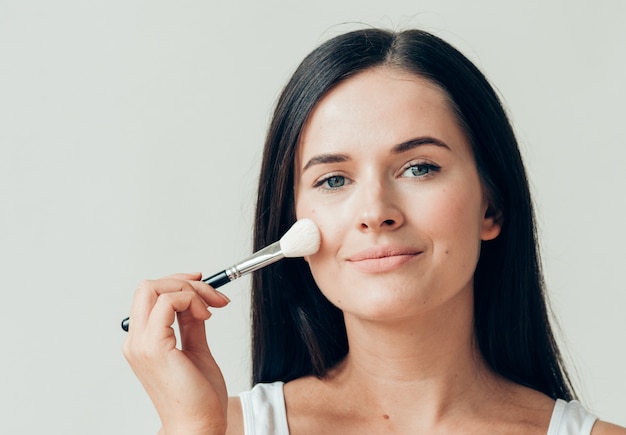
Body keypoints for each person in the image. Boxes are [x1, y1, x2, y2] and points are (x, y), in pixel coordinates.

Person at [123, 28, 626, 434]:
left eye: (419, 168)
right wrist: (191, 426)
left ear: (490, 208)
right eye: (334, 179)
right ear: (293, 225)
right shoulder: (219, 428)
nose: (376, 212)